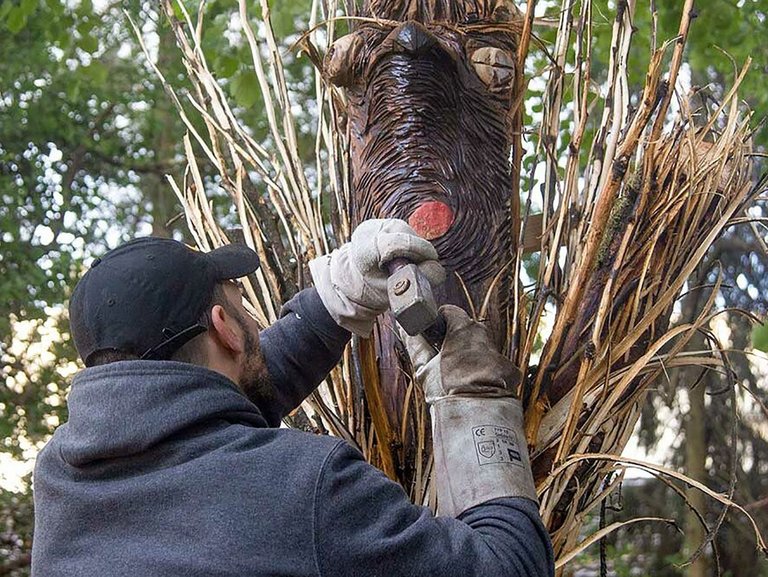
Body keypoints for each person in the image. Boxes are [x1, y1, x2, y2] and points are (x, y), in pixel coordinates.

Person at [31, 219, 554, 576]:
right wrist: (476, 399)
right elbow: (508, 566)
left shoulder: (61, 477)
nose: (253, 323)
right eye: (241, 307)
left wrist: (335, 302)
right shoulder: (308, 487)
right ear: (226, 330)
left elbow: (204, 423)